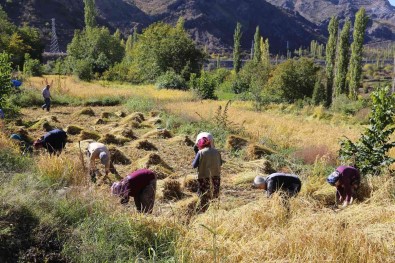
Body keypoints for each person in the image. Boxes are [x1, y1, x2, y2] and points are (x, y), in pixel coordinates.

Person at [192, 136, 222, 211]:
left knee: (203, 196)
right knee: (214, 195)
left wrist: (196, 154)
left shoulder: (200, 152)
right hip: (216, 177)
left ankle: (203, 211)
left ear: (200, 145)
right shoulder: (217, 152)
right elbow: (220, 163)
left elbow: (194, 165)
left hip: (204, 177)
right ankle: (214, 211)